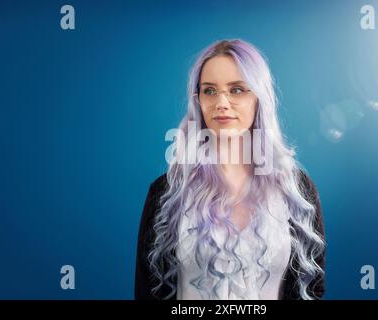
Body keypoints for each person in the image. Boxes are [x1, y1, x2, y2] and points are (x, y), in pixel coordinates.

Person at [134, 39, 326, 300]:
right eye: (209, 91)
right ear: (198, 100)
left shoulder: (296, 190)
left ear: (259, 98)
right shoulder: (168, 191)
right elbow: (147, 290)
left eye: (237, 90)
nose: (221, 103)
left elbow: (312, 288)